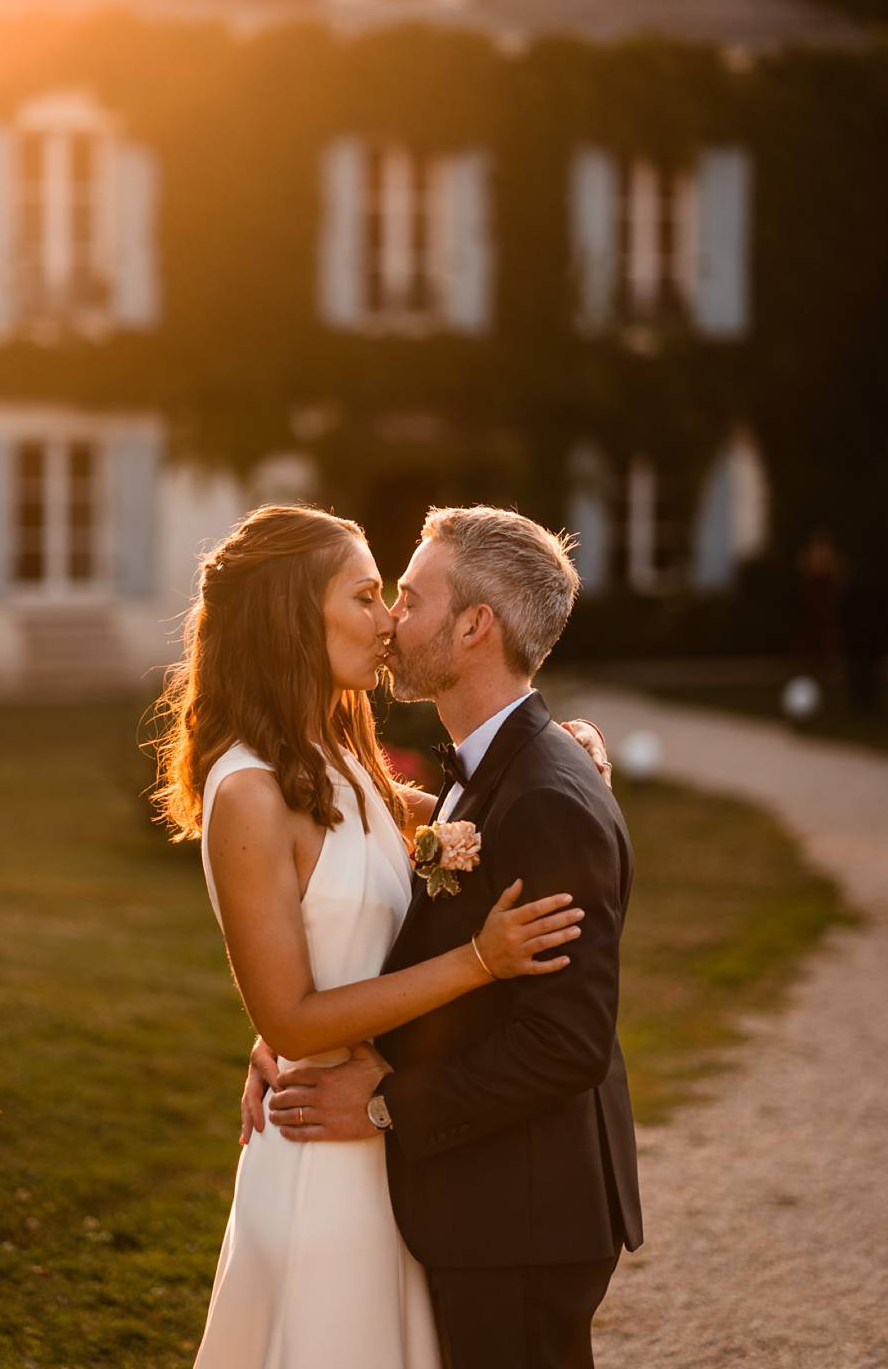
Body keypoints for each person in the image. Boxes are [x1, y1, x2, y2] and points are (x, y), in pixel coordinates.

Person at [152, 504, 609, 1369]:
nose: (389, 621)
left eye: (393, 596)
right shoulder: (245, 790)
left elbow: (460, 826)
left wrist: (560, 753)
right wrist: (476, 964)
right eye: (368, 596)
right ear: (295, 615)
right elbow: (292, 1016)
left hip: (392, 1151)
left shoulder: (337, 754)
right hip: (326, 1151)